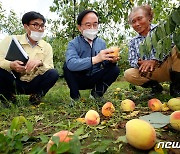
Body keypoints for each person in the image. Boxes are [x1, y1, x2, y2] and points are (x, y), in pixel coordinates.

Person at [0, 11, 59, 106]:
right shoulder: (10, 40)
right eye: (35, 25)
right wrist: (10, 65)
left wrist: (40, 63)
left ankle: (36, 97)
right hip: (15, 80)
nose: (40, 29)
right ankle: (8, 98)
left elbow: (50, 67)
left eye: (42, 26)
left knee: (53, 73)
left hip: (34, 81)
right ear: (26, 26)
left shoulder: (46, 46)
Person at [63, 10, 120, 103]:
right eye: (88, 25)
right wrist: (96, 59)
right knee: (67, 66)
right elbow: (71, 64)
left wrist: (112, 60)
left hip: (94, 77)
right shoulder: (73, 43)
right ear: (79, 27)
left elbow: (104, 64)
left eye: (95, 24)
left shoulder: (101, 43)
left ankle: (96, 94)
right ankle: (75, 97)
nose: (92, 28)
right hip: (79, 79)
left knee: (115, 69)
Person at [124, 5, 180, 97]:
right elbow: (131, 60)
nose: (137, 23)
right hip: (150, 72)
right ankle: (155, 87)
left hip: (169, 66)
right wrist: (139, 63)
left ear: (149, 18)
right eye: (133, 22)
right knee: (128, 74)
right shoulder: (133, 42)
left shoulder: (161, 29)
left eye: (140, 19)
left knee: (177, 49)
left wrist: (155, 60)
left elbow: (172, 44)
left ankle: (177, 87)